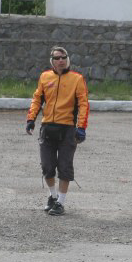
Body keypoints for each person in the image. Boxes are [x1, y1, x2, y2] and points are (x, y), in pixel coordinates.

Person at [25, 46, 89, 216]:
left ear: (67, 59)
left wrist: (81, 127)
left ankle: (60, 202)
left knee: (65, 167)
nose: (61, 60)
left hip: (68, 129)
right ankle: (53, 197)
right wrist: (31, 119)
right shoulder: (45, 77)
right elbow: (37, 99)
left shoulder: (77, 79)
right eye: (57, 58)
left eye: (63, 57)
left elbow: (83, 104)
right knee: (47, 166)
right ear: (52, 61)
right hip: (47, 127)